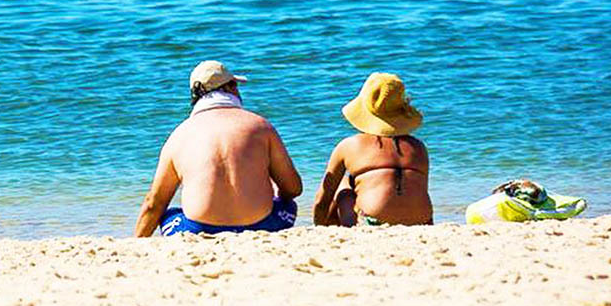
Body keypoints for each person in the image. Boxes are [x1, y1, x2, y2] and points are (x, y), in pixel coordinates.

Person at [134, 60, 303, 237]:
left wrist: (136, 242)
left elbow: (154, 204)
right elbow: (293, 189)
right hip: (264, 225)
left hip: (199, 230)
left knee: (169, 214)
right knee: (287, 205)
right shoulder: (261, 126)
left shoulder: (178, 136)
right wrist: (274, 192)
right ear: (230, 88)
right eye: (236, 86)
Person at [312, 73, 433, 226]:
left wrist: (319, 226)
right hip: (420, 221)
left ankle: (333, 229)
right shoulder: (418, 147)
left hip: (373, 222)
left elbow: (321, 201)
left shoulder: (349, 145)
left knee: (342, 187)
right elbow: (420, 191)